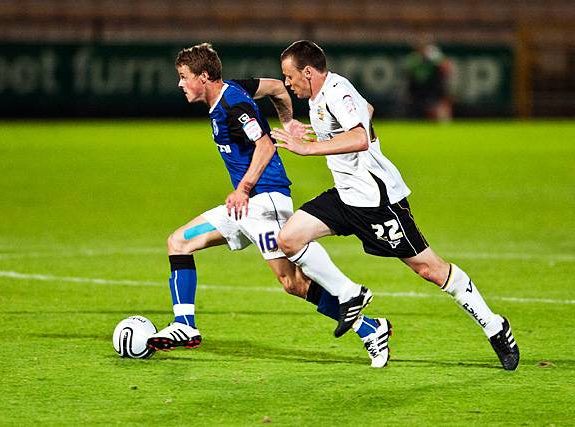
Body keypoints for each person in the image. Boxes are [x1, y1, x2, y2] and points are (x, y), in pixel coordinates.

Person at [270, 40, 519, 370]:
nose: (288, 83)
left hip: (377, 201)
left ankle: (494, 326)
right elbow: (367, 109)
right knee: (289, 239)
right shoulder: (322, 97)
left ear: (308, 71)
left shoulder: (336, 91)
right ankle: (350, 294)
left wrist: (308, 149)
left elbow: (360, 137)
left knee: (430, 269)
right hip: (345, 196)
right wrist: (324, 139)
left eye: (290, 76)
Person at [147, 43, 391, 368]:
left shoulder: (234, 107)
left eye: (183, 77)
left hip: (264, 202)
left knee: (294, 283)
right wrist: (288, 121)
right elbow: (277, 87)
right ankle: (185, 326)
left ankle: (370, 328)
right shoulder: (235, 89)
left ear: (204, 76)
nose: (180, 84)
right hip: (243, 206)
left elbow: (264, 145)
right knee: (179, 242)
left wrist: (244, 187)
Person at [404, 40, 453, 121]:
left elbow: (447, 67)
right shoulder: (413, 59)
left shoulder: (434, 55)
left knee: (439, 112)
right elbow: (408, 73)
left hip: (434, 91)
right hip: (418, 92)